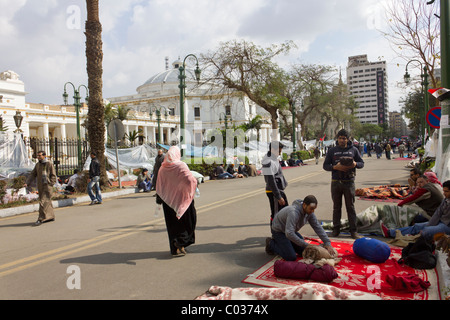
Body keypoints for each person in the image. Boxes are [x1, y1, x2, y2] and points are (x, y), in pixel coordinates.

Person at [266, 195, 336, 261]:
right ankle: (271, 243)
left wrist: (327, 243)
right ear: (304, 205)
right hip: (279, 231)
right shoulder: (293, 213)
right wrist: (306, 244)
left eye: (314, 209)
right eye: (311, 209)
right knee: (291, 256)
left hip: (290, 230)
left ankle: (288, 245)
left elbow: (317, 226)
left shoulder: (310, 212)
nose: (312, 211)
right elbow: (289, 234)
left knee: (304, 251)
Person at [156, 146, 197, 257]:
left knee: (172, 225)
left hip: (168, 201)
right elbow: (190, 179)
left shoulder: (162, 168)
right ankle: (181, 242)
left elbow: (159, 185)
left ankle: (175, 248)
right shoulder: (180, 165)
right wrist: (194, 184)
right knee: (189, 221)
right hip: (183, 200)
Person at [323, 129, 364, 239]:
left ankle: (353, 231)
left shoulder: (354, 150)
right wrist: (335, 167)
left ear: (348, 139)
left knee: (350, 207)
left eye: (344, 138)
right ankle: (336, 230)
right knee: (336, 207)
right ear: (338, 139)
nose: (342, 140)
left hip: (349, 182)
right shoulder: (332, 151)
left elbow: (361, 163)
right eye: (340, 138)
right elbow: (325, 166)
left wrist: (355, 163)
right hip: (336, 182)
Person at [381, 180, 450, 241]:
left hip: (447, 226)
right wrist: (430, 224)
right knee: (417, 226)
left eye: (446, 191)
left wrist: (429, 227)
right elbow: (437, 214)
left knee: (426, 231)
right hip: (440, 221)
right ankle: (390, 233)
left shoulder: (427, 189)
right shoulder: (446, 199)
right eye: (444, 191)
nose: (444, 193)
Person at [25, 151, 57, 226]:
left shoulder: (49, 164)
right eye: (38, 155)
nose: (38, 157)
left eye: (40, 155)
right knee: (47, 202)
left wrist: (51, 183)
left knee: (43, 202)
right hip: (41, 186)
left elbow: (53, 175)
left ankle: (41, 218)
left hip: (47, 186)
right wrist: (27, 182)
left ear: (44, 156)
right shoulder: (38, 165)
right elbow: (33, 174)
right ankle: (50, 216)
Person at [262, 141, 288, 225]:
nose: (280, 153)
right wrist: (278, 196)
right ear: (273, 149)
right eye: (279, 151)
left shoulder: (273, 158)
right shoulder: (268, 161)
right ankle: (275, 234)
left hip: (278, 190)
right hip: (274, 191)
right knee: (276, 214)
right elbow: (270, 180)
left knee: (281, 213)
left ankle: (279, 233)